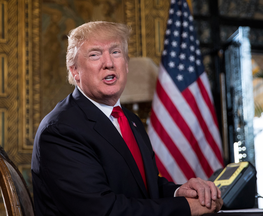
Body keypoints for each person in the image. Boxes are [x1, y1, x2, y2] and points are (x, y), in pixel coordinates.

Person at [31, 21, 223, 216]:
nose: (109, 63)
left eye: (115, 52)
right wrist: (187, 207)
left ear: (126, 64)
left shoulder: (131, 121)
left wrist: (178, 192)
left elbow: (142, 187)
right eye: (95, 55)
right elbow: (103, 210)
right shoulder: (61, 130)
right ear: (74, 71)